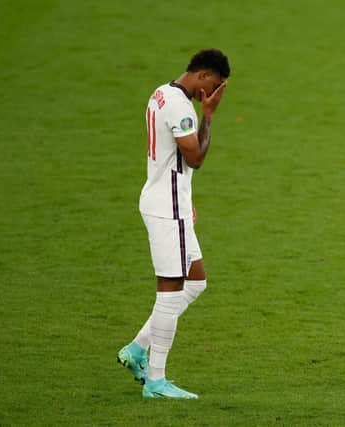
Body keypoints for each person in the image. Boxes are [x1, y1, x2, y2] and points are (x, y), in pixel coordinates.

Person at [117, 48, 230, 399]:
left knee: (195, 283)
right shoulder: (183, 108)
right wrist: (208, 117)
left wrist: (187, 198)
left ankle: (137, 348)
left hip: (169, 202)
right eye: (212, 85)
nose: (210, 94)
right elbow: (193, 157)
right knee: (169, 290)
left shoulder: (162, 92)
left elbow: (170, 159)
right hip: (167, 211)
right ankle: (155, 380)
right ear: (202, 74)